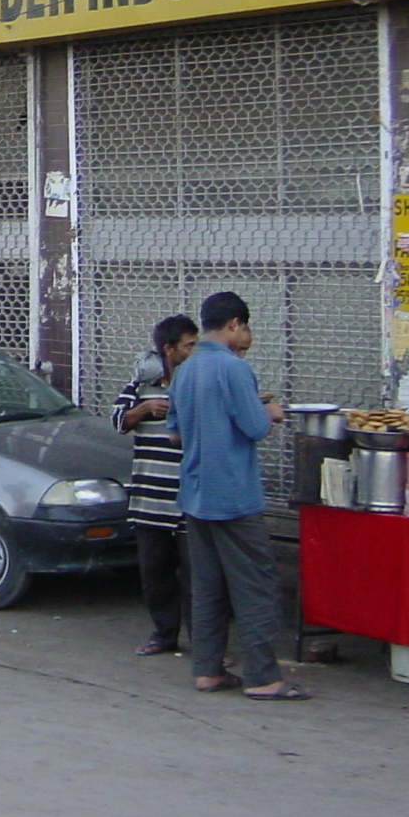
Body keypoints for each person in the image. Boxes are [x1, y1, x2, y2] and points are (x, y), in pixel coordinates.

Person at [165, 290, 304, 700]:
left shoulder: (185, 370)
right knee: (256, 584)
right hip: (233, 495)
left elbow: (174, 434)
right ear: (234, 326)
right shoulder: (234, 369)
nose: (247, 336)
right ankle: (263, 677)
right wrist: (271, 413)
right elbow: (255, 427)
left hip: (194, 493)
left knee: (207, 586)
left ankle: (207, 671)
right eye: (246, 328)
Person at [111, 314, 198, 657]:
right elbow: (118, 420)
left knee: (198, 579)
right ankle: (164, 635)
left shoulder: (198, 381)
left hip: (190, 498)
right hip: (149, 500)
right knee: (155, 574)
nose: (195, 350)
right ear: (169, 349)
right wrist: (144, 408)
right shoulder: (141, 384)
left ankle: (205, 642)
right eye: (189, 345)